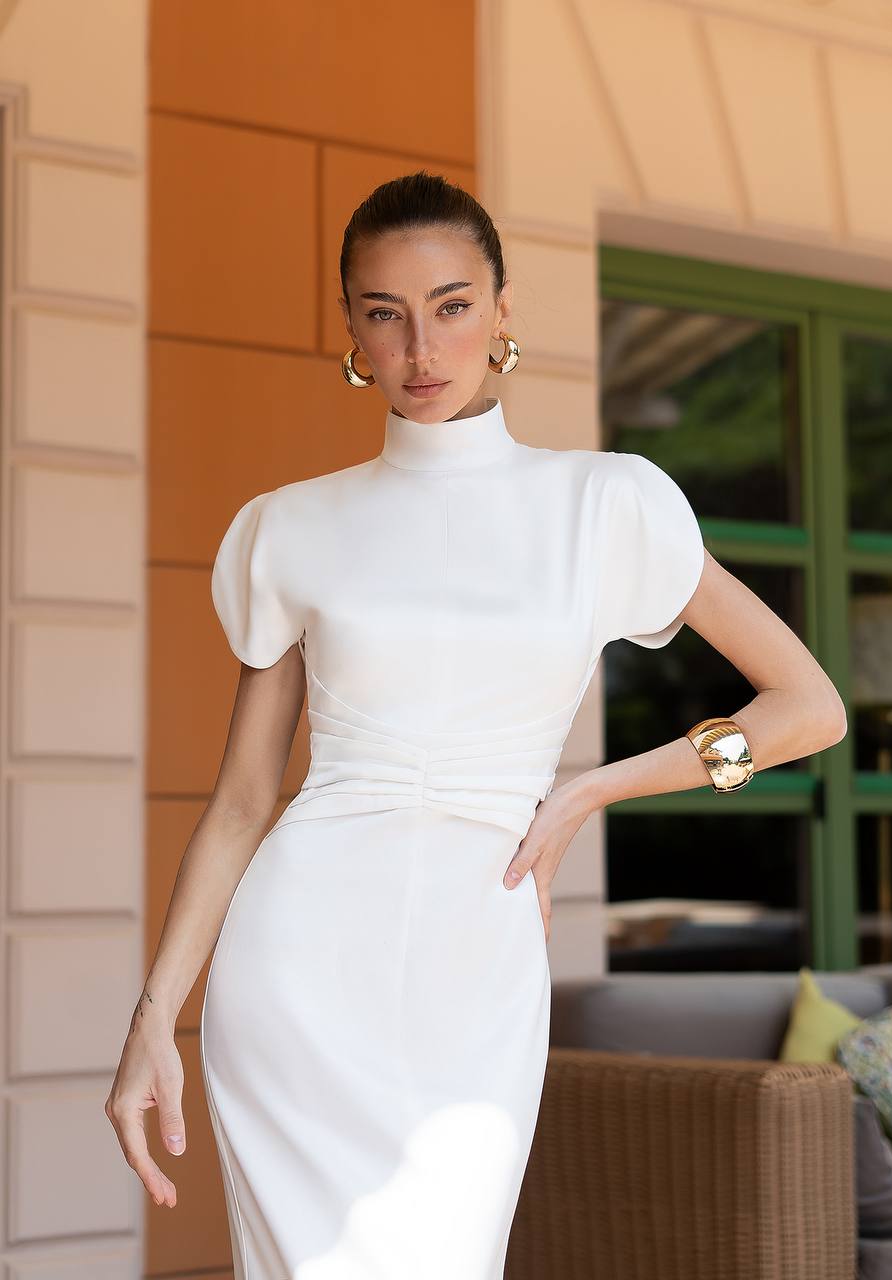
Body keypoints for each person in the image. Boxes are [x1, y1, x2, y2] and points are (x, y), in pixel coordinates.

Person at [104, 169, 847, 1278]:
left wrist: (597, 787)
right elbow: (245, 801)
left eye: (451, 305)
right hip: (297, 966)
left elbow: (810, 709)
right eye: (385, 313)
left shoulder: (605, 504)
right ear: (351, 327)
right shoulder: (288, 527)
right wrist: (154, 1015)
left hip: (477, 966)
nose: (421, 348)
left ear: (502, 309)